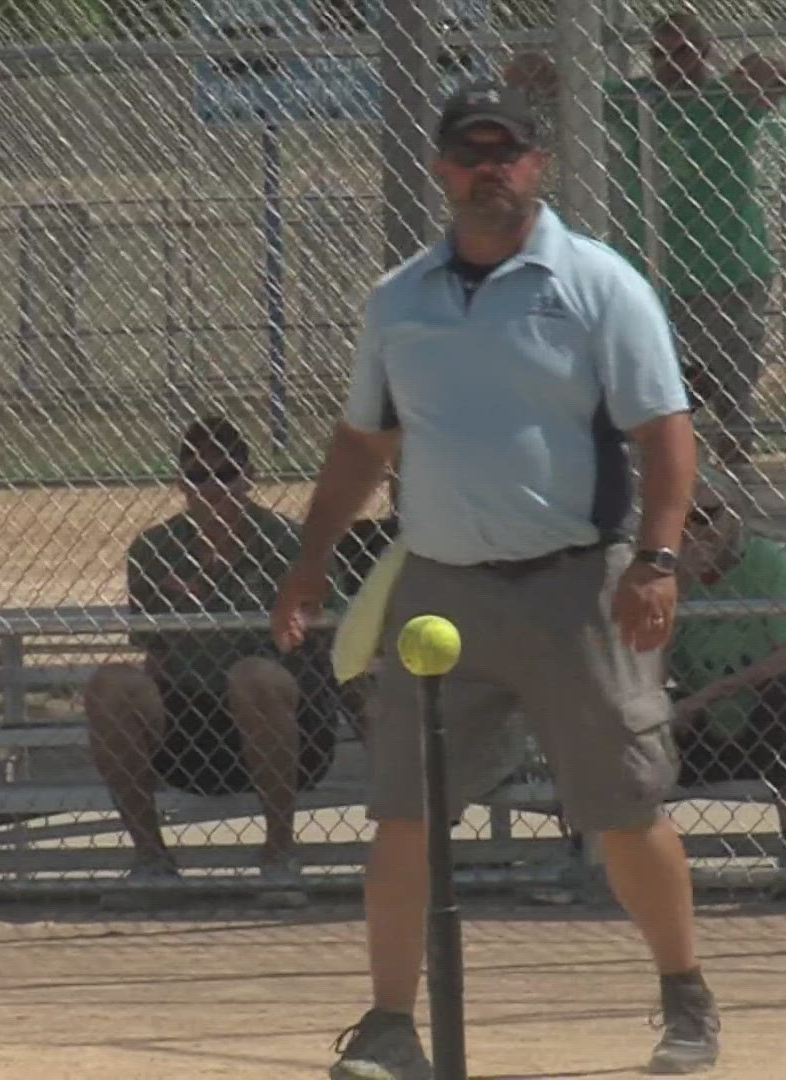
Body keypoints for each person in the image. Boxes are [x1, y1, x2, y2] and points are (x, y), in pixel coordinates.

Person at [271, 82, 720, 1079]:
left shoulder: (601, 284)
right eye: (472, 155)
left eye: (508, 154)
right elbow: (361, 446)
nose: (491, 172)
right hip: (443, 590)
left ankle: (685, 996)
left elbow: (666, 433)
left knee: (627, 807)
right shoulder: (399, 301)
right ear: (441, 170)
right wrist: (306, 569)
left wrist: (656, 558)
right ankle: (390, 1024)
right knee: (402, 814)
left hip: (581, 587)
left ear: (538, 165)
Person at [504, 10, 786, 467]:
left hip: (729, 269)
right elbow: (530, 74)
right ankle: (652, 488)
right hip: (653, 273)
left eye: (683, 53)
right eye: (660, 55)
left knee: (734, 399)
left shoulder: (725, 99)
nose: (671, 65)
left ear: (705, 51)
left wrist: (757, 66)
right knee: (644, 391)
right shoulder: (632, 100)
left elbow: (779, 76)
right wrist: (543, 63)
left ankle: (739, 493)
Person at [81, 416, 341, 891]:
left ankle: (280, 851)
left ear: (249, 478)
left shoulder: (289, 542)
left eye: (226, 475)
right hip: (191, 719)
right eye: (200, 477)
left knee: (253, 676)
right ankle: (151, 858)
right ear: (182, 483)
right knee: (111, 685)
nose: (213, 489)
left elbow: (332, 629)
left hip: (284, 717)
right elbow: (153, 652)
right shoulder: (157, 548)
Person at [668, 486, 786, 870]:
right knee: (633, 713)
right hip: (716, 731)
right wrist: (678, 589)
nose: (694, 531)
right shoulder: (665, 575)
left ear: (733, 516)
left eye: (706, 516)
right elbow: (647, 674)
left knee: (784, 696)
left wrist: (710, 694)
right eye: (679, 518)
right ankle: (615, 855)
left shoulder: (764, 559)